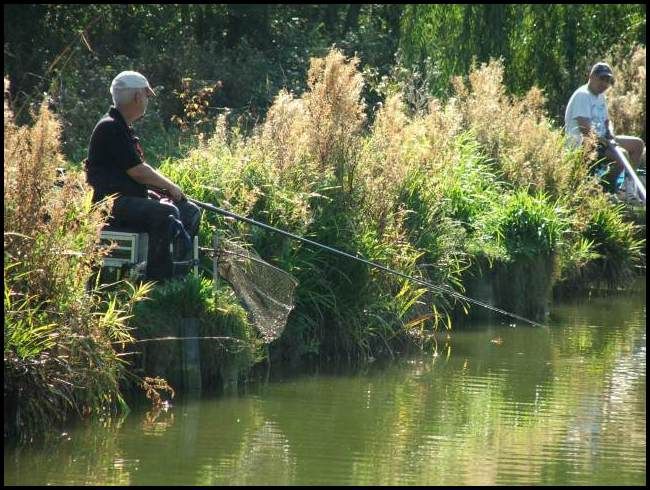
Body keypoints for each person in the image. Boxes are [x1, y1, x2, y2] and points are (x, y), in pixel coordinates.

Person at [85, 71, 201, 281]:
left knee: (189, 211)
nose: (147, 100)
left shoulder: (121, 126)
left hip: (127, 199)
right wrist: (171, 186)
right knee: (166, 213)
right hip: (109, 203)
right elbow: (138, 171)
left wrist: (160, 190)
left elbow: (132, 171)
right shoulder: (110, 126)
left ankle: (178, 273)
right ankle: (158, 281)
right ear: (138, 96)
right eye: (146, 95)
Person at [564, 61, 646, 194]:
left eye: (608, 80)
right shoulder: (582, 95)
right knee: (622, 155)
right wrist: (606, 142)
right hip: (585, 143)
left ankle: (627, 188)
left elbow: (607, 121)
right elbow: (586, 130)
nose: (604, 83)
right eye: (601, 79)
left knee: (637, 144)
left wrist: (611, 133)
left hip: (604, 140)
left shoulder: (600, 96)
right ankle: (606, 189)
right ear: (591, 77)